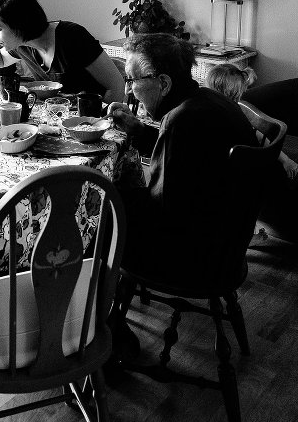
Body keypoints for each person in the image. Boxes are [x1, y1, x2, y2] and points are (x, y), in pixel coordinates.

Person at [105, 34, 259, 357]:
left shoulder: (180, 122)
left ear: (163, 82)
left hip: (192, 259)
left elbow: (162, 212)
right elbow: (187, 155)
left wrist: (123, 188)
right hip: (226, 244)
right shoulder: (208, 101)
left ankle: (106, 333)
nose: (129, 89)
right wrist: (137, 129)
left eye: (132, 80)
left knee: (100, 218)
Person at [0, 0, 126, 103]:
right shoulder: (22, 44)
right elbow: (1, 58)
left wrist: (99, 123)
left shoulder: (73, 37)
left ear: (19, 25)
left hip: (93, 121)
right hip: (59, 121)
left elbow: (117, 86)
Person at [205, 63, 298, 180]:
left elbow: (259, 137)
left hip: (239, 166)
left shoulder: (233, 116)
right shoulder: (219, 108)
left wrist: (286, 160)